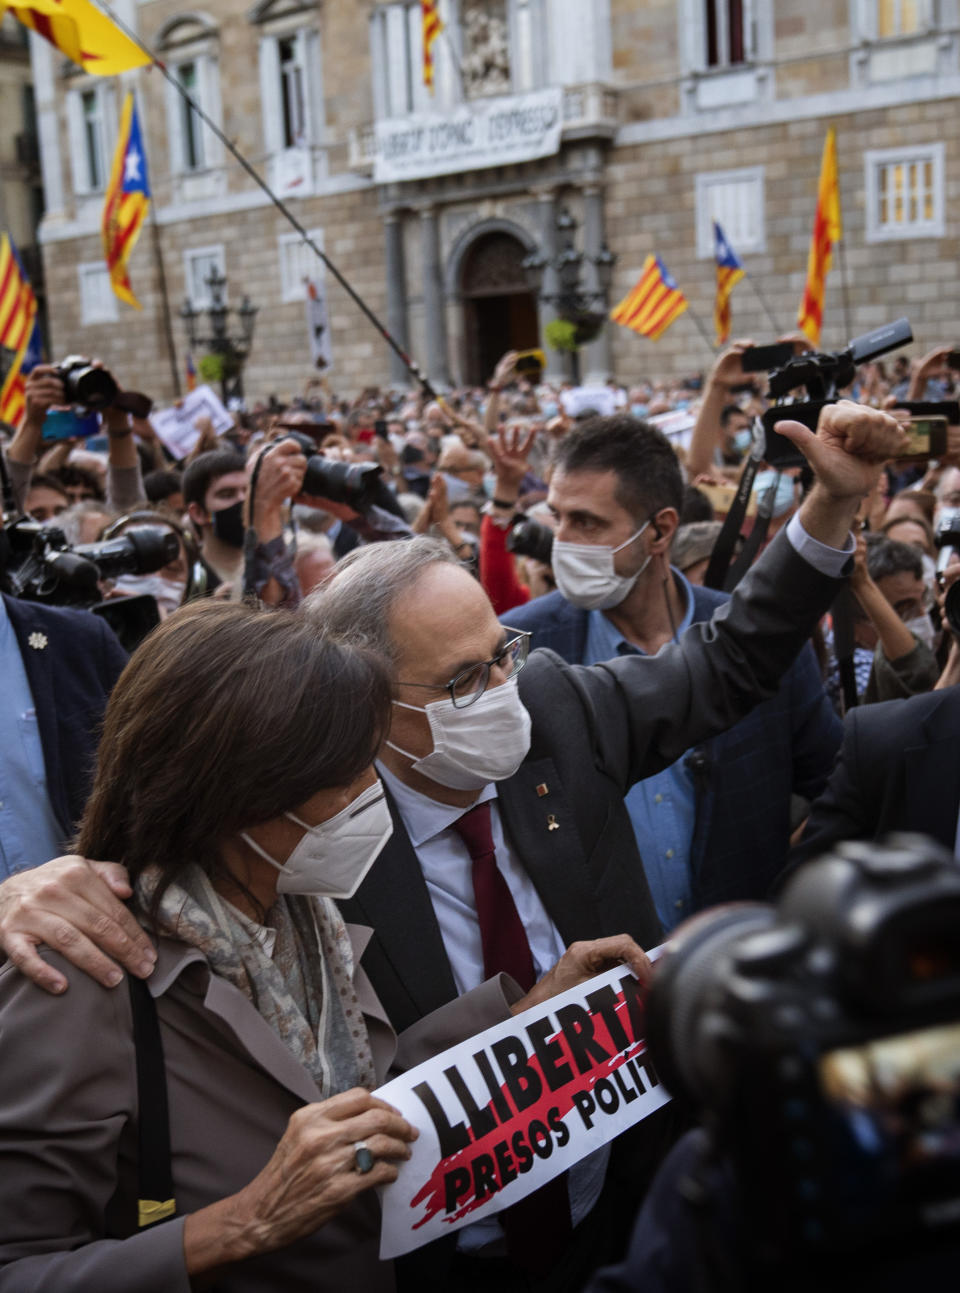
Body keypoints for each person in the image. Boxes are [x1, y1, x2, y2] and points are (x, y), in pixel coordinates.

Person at [0, 403, 906, 1289]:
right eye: (463, 680)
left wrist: (528, 1026)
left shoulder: (523, 733)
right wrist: (239, 1223)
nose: (504, 690)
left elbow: (376, 1086)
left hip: (612, 1203)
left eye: (501, 655)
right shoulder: (201, 912)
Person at [0, 599, 652, 1291]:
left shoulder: (308, 913)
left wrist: (527, 1017)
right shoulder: (78, 978)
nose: (373, 794)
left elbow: (363, 1102)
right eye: (345, 775)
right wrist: (241, 1223)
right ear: (237, 793)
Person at [498, 415, 842, 927]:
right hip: (601, 979)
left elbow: (836, 788)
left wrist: (790, 896)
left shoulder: (757, 641)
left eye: (587, 522)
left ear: (659, 530)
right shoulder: (516, 646)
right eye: (558, 518)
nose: (563, 541)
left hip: (740, 955)